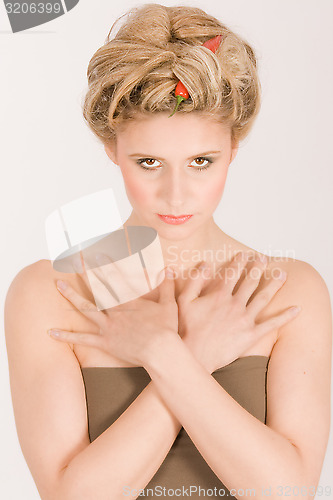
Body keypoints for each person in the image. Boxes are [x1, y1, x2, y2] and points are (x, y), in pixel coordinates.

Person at [4, 3, 332, 499]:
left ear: (235, 146)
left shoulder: (290, 289)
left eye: (202, 161)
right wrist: (188, 356)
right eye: (149, 162)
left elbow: (287, 493)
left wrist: (167, 355)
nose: (176, 195)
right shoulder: (50, 292)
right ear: (111, 147)